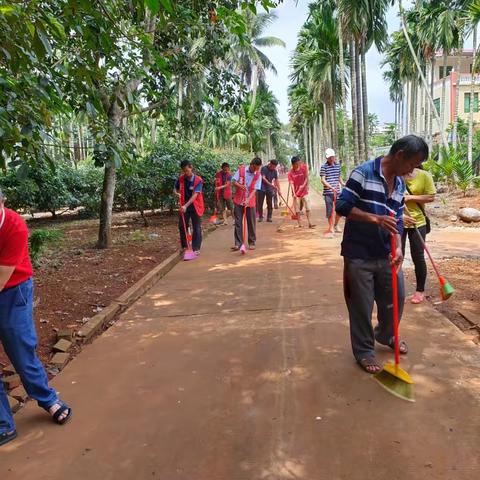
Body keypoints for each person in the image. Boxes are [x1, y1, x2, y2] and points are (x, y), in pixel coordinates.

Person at [336, 135, 429, 374]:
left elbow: (397, 219)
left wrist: (398, 246)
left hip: (387, 254)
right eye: (412, 164)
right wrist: (374, 218)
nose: (412, 171)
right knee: (361, 306)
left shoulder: (398, 183)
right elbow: (342, 206)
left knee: (395, 300)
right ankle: (364, 351)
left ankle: (386, 335)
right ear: (399, 156)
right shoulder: (363, 173)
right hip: (359, 254)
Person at [0, 190, 72, 447]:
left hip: (12, 290)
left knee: (21, 349)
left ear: (2, 202)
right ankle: (3, 424)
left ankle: (47, 398)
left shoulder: (14, 225)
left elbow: (2, 277)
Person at [402, 166, 436, 304]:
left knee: (418, 256)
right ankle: (395, 289)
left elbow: (431, 197)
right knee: (397, 255)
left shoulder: (424, 176)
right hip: (399, 220)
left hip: (418, 221)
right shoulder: (396, 174)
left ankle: (420, 291)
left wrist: (409, 198)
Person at [231, 157, 262, 251]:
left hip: (250, 201)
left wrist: (248, 199)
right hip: (238, 201)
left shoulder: (258, 175)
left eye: (258, 169)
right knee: (238, 222)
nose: (256, 171)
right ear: (252, 165)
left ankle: (252, 242)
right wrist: (240, 186)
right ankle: (238, 243)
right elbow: (233, 181)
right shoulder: (241, 170)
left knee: (251, 223)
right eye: (255, 168)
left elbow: (255, 189)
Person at [174, 160, 204, 255]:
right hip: (184, 206)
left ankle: (196, 248)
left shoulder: (198, 180)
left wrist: (186, 205)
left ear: (191, 168)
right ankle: (185, 246)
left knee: (196, 227)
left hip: (195, 206)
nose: (186, 173)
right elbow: (175, 188)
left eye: (187, 170)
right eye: (184, 171)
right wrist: (176, 193)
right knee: (182, 226)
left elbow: (195, 195)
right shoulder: (181, 179)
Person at [320, 148, 345, 235]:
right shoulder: (323, 167)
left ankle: (336, 225)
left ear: (334, 157)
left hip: (337, 192)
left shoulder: (338, 166)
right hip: (328, 193)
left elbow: (339, 177)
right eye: (328, 158)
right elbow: (323, 180)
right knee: (330, 211)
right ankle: (331, 228)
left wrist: (343, 183)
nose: (330, 159)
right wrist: (330, 187)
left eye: (331, 157)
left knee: (339, 210)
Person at [288, 156, 315, 228]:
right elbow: (291, 184)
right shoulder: (290, 173)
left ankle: (310, 223)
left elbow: (306, 177)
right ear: (293, 164)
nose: (298, 165)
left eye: (299, 163)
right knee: (297, 209)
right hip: (296, 194)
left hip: (304, 192)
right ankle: (299, 224)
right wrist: (294, 193)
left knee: (308, 207)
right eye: (297, 163)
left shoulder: (303, 168)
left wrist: (304, 185)